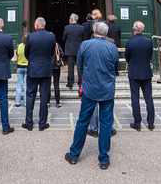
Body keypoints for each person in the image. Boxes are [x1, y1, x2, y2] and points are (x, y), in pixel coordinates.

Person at [65, 20, 119, 170]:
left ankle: (74, 155)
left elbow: (80, 66)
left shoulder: (85, 45)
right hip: (107, 89)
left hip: (89, 89)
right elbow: (116, 68)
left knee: (83, 121)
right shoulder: (112, 47)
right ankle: (103, 159)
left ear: (94, 31)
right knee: (106, 123)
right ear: (106, 33)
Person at [23, 17, 55, 131]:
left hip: (33, 69)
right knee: (44, 96)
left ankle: (29, 123)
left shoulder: (31, 36)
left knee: (30, 95)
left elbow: (26, 52)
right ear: (44, 25)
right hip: (46, 69)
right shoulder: (51, 36)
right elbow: (51, 53)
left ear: (36, 25)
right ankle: (42, 123)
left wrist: (32, 60)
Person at [125, 21, 155, 131]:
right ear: (143, 30)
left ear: (134, 29)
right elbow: (150, 55)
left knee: (135, 98)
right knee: (148, 98)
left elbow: (127, 58)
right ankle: (150, 123)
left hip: (134, 72)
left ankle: (137, 123)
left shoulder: (129, 42)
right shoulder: (149, 42)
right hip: (146, 72)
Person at [63, 14, 84, 89]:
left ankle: (70, 82)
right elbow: (83, 38)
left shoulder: (67, 27)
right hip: (79, 49)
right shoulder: (81, 28)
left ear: (71, 19)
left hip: (70, 49)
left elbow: (64, 38)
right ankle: (80, 82)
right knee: (79, 66)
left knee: (70, 67)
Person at [49, 41, 65, 108]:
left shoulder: (46, 43)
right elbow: (62, 54)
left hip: (48, 66)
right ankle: (58, 102)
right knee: (56, 84)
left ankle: (47, 102)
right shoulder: (56, 44)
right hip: (56, 66)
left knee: (47, 85)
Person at [15, 33, 28, 107]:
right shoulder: (29, 46)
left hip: (19, 66)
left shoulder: (18, 46)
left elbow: (17, 55)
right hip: (27, 66)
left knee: (19, 85)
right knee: (26, 85)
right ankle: (26, 102)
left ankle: (17, 102)